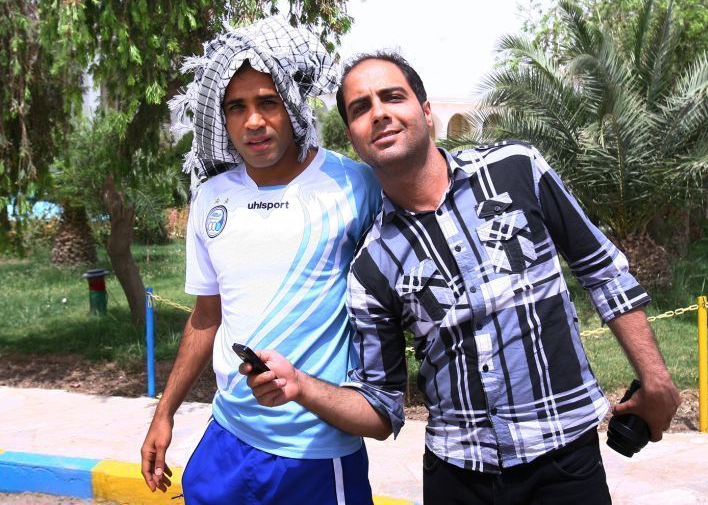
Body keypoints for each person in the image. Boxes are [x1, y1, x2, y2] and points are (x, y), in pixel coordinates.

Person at [244, 51, 682, 504]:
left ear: (425, 111)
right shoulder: (371, 266)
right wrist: (299, 386)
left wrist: (655, 379)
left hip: (564, 460)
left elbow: (603, 272)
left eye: (392, 96)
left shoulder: (516, 169)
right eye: (360, 108)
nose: (379, 113)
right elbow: (381, 407)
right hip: (457, 477)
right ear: (353, 137)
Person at [139, 17, 381, 505]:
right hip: (227, 436)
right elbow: (206, 315)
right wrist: (164, 413)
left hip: (316, 451)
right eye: (237, 107)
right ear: (223, 118)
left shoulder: (355, 185)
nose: (253, 121)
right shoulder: (211, 197)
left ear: (292, 105)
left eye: (268, 102)